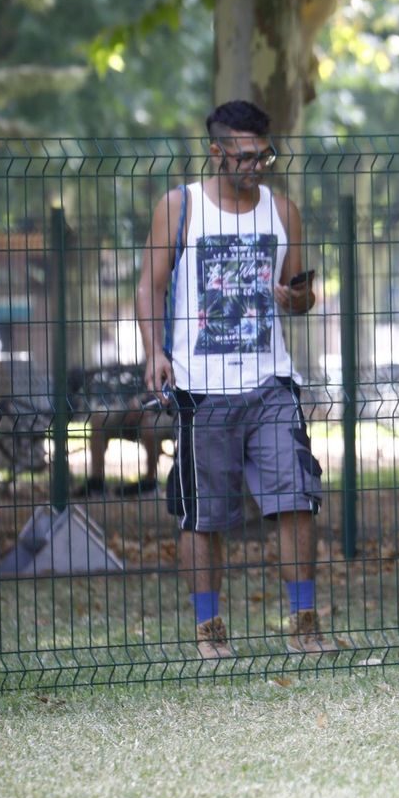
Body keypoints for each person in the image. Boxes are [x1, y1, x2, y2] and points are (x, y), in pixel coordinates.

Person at [137, 99, 328, 659]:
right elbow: (149, 285)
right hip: (201, 388)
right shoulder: (181, 207)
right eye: (245, 156)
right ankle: (209, 632)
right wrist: (154, 352)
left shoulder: (282, 210)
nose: (256, 166)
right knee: (204, 514)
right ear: (216, 152)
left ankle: (305, 625)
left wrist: (297, 297)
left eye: (264, 155)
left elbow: (303, 294)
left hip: (271, 383)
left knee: (296, 499)